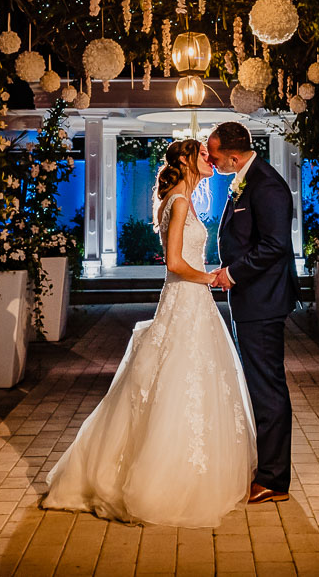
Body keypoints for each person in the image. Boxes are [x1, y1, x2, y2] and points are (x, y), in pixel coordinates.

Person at [41, 138, 257, 527]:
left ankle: (190, 467)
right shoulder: (177, 202)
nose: (211, 160)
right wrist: (209, 277)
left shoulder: (183, 199)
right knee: (176, 383)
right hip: (185, 298)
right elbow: (174, 263)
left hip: (190, 304)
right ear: (188, 162)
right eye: (204, 156)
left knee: (184, 383)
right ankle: (165, 478)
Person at [207, 120, 300, 505]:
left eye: (214, 156)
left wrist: (232, 272)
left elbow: (276, 245)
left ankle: (275, 480)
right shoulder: (247, 179)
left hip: (263, 300)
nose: (211, 163)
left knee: (267, 387)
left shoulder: (266, 184)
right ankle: (267, 468)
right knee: (259, 385)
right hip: (250, 300)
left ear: (232, 155)